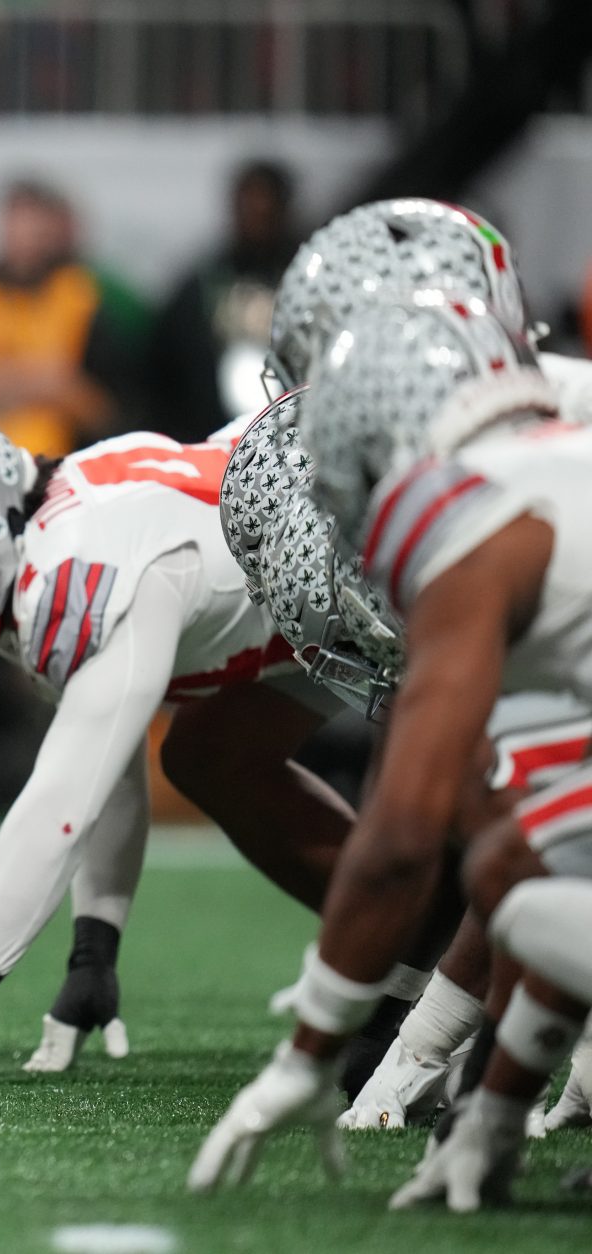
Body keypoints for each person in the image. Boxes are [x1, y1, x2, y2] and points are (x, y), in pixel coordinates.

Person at [190, 294, 592, 1212]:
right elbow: (546, 855)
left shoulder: (479, 522)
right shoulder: (541, 449)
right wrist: (493, 1107)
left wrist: (316, 1050)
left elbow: (402, 838)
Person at [0, 396, 343, 1082]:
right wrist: (93, 954)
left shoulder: (73, 565)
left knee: (464, 809)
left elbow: (63, 801)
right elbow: (110, 755)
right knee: (205, 758)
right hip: (313, 602)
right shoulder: (44, 541)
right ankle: (402, 956)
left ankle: (427, 981)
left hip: (356, 542)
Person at [0, 178, 145, 461]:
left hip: (66, 460)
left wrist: (12, 380)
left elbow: (106, 407)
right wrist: (46, 382)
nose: (25, 239)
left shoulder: (81, 298)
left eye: (34, 227)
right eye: (16, 225)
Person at [149, 161, 300, 442]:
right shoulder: (201, 285)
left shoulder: (312, 279)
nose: (257, 212)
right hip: (213, 441)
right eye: (248, 203)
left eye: (266, 204)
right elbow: (164, 369)